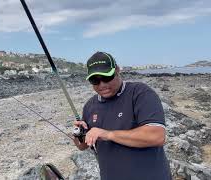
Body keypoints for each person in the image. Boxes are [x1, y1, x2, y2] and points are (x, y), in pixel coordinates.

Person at [73, 51, 172, 180]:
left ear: (117, 70)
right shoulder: (90, 106)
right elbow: (82, 146)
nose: (102, 84)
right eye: (95, 80)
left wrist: (108, 134)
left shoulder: (140, 93)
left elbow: (156, 136)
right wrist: (78, 134)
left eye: (107, 77)